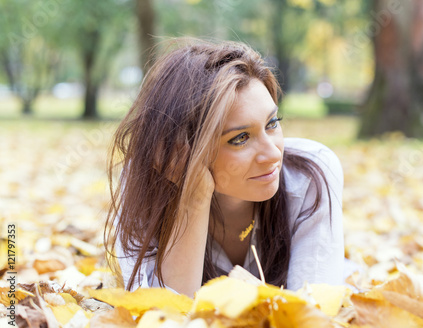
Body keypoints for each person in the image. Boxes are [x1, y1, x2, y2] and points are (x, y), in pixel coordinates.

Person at [104, 38, 344, 298]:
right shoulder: (146, 186)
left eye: (272, 123)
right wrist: (194, 198)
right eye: (240, 138)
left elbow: (317, 314)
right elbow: (161, 318)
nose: (273, 154)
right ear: (179, 150)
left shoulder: (311, 175)